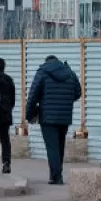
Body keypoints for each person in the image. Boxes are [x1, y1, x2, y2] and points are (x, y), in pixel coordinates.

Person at [26, 55, 83, 185]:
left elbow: (33, 94)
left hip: (47, 116)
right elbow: (78, 92)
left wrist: (29, 115)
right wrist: (66, 101)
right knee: (59, 145)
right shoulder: (70, 73)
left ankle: (57, 176)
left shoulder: (43, 72)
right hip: (65, 116)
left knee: (52, 147)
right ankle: (55, 174)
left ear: (47, 62)